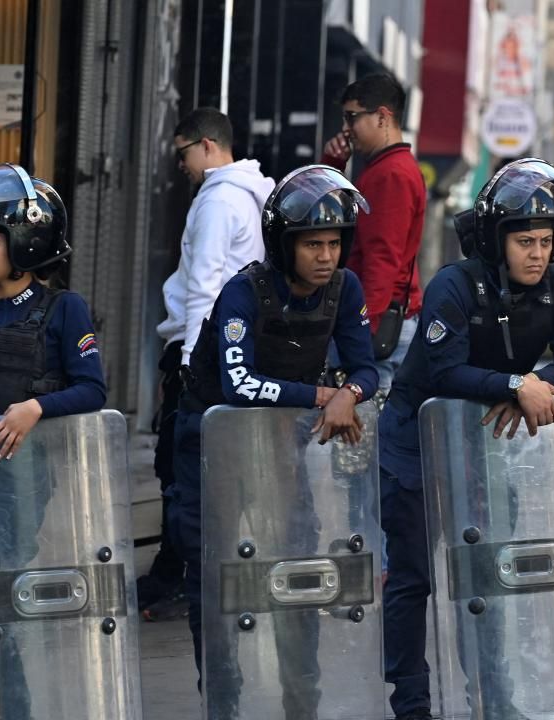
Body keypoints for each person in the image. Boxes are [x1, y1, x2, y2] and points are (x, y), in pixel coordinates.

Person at [378, 158, 554, 720]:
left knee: (487, 573)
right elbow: (446, 370)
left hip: (481, 448)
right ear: (496, 240)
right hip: (414, 445)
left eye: (546, 242)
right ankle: (412, 706)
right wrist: (513, 384)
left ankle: (493, 698)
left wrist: (533, 383)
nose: (537, 254)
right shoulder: (453, 285)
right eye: (525, 242)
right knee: (414, 578)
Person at [171, 165, 379, 716]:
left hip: (282, 450)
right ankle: (224, 702)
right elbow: (239, 385)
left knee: (295, 571)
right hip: (211, 452)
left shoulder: (345, 289)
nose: (326, 256)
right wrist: (323, 396)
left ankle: (300, 704)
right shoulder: (244, 292)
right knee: (214, 578)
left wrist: (351, 392)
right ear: (285, 244)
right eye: (312, 244)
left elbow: (367, 367)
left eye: (334, 243)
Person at [0, 164, 107, 718]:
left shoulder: (63, 309)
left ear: (26, 245)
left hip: (19, 488)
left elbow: (92, 389)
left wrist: (36, 408)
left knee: (2, 610)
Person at [140, 107, 274, 618]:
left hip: (202, 351)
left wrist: (188, 361)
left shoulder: (218, 200)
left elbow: (204, 285)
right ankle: (187, 571)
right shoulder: (252, 194)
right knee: (211, 469)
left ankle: (180, 577)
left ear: (208, 146)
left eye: (183, 154)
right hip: (231, 348)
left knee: (181, 467)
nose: (181, 166)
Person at [321, 73, 425, 394]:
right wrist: (332, 166)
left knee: (362, 421)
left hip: (379, 325)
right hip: (381, 320)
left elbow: (382, 258)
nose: (346, 129)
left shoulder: (391, 174)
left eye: (352, 117)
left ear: (382, 117)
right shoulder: (386, 168)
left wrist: (362, 331)